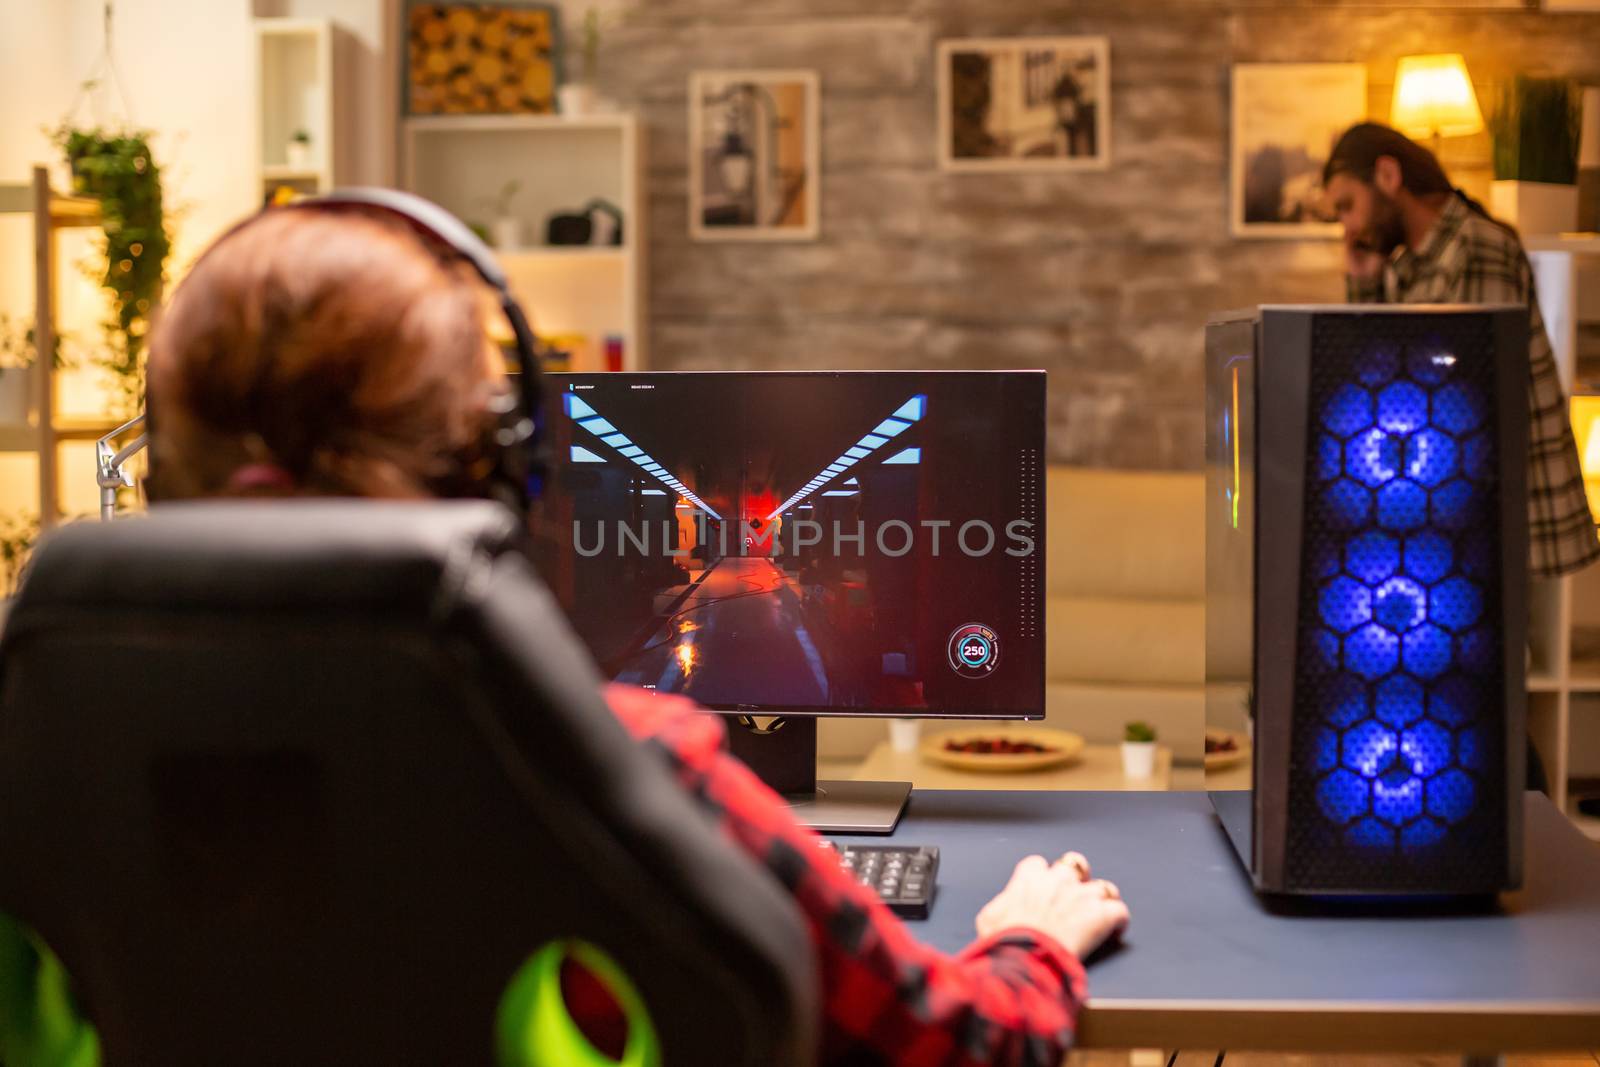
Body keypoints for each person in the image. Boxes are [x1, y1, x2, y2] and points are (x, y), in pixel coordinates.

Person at [0, 202, 1129, 1067]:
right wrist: (1028, 940)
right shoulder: (617, 770)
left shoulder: (33, 763)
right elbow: (966, 1045)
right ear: (500, 480)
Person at [1323, 121, 1600, 580]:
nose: (1347, 228)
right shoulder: (1411, 265)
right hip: (1453, 505)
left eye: (1347, 206)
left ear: (1388, 177)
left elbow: (1462, 404)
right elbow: (1378, 380)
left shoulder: (1475, 250)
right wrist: (1366, 284)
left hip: (1495, 517)